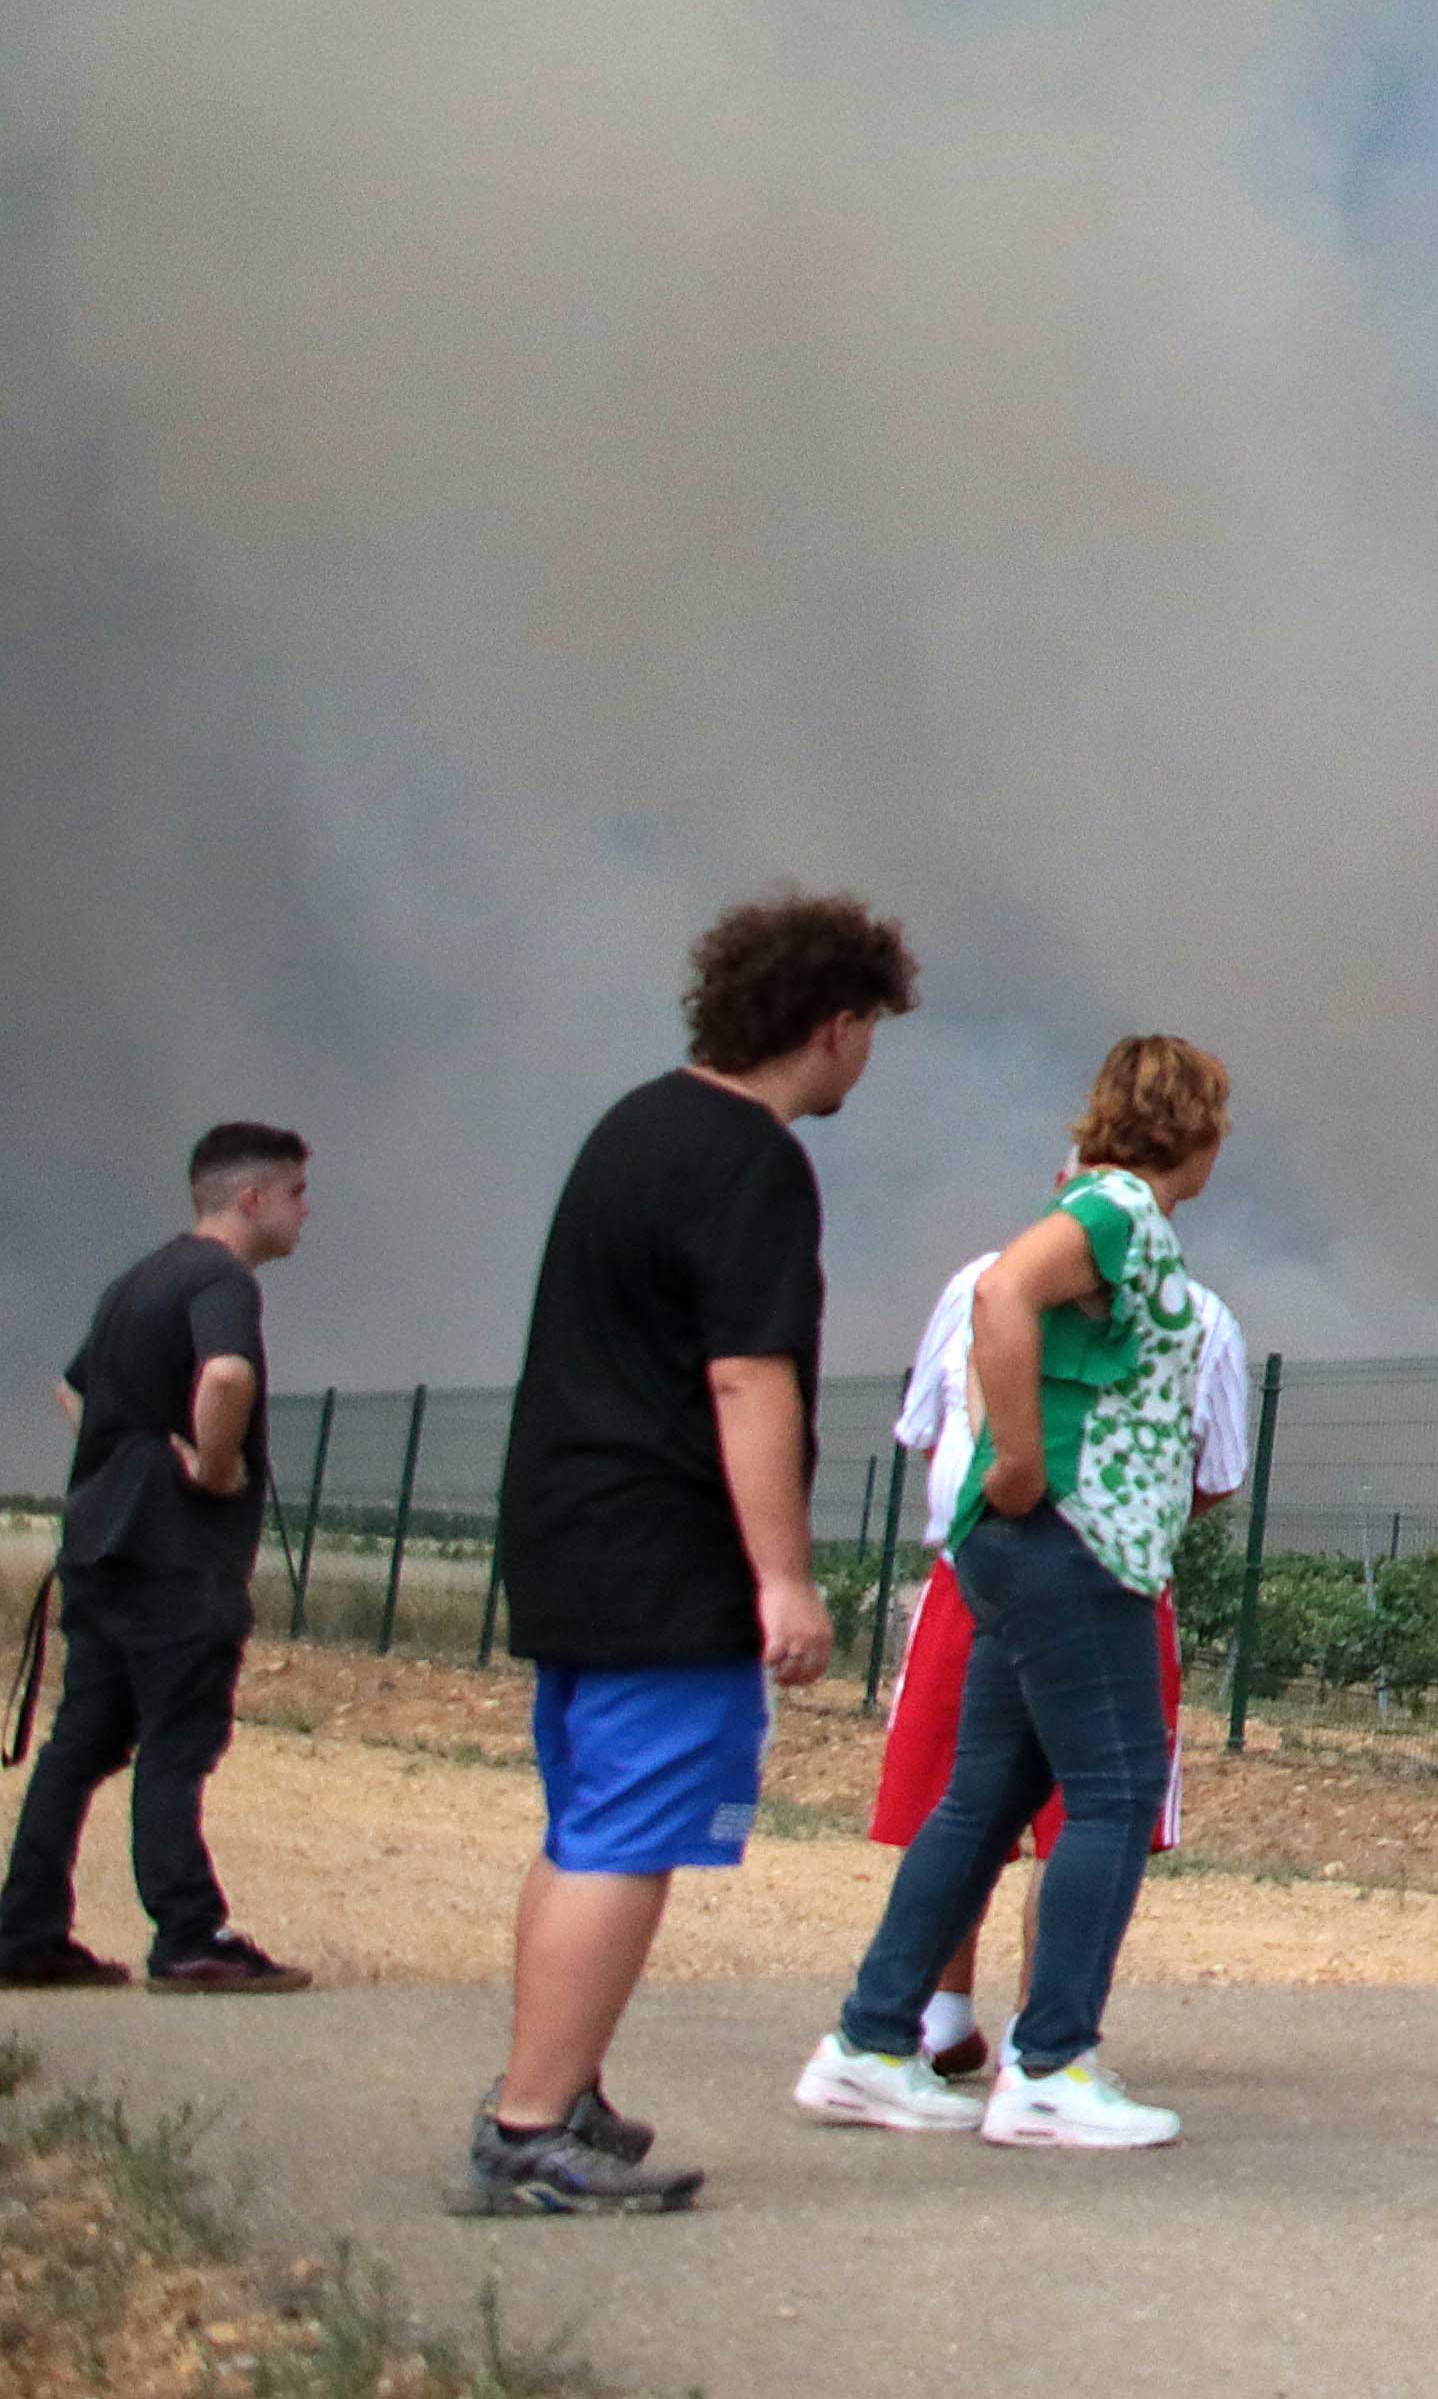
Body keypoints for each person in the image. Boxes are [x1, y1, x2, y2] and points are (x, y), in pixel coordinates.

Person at [456, 891, 916, 2218]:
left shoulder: (634, 1126)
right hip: (665, 1556)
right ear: (833, 1025)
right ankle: (529, 2125)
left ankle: (558, 2085)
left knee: (587, 1827)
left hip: (570, 1536)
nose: (866, 1057)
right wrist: (782, 1575)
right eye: (870, 1030)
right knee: (627, 1838)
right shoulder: (750, 1161)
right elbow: (745, 1379)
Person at [798, 1035, 1230, 2153]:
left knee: (983, 1798)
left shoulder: (1109, 1212)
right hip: (1072, 1547)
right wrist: (1021, 1463)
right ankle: (1051, 2067)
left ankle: (869, 2043)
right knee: (1117, 1794)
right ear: (1200, 1131)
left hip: (1033, 1552)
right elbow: (1004, 1295)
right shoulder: (1121, 1213)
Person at [862, 1232, 1248, 2077]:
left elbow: (932, 1430)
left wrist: (1004, 1494)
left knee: (973, 1804)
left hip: (993, 1568)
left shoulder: (980, 1284)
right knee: (1079, 1810)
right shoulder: (1198, 1316)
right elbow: (1211, 1475)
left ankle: (928, 2029)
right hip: (1086, 1577)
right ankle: (1021, 2049)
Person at [1, 1126, 321, 1995]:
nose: (306, 1210)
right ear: (249, 1199)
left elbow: (72, 1390)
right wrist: (212, 1466)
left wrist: (122, 1452)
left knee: (83, 1742)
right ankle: (190, 1936)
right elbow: (225, 1377)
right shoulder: (221, 1281)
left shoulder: (135, 1281)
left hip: (101, 1547)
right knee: (178, 1741)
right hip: (175, 1559)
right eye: (295, 1192)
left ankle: (24, 1932)